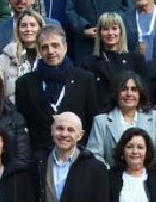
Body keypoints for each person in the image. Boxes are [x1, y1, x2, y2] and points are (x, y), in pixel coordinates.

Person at [15, 26, 99, 155]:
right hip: (39, 158)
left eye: (55, 45)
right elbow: (22, 126)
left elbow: (91, 119)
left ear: (65, 47)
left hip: (77, 155)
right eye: (45, 47)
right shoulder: (25, 83)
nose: (50, 51)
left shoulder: (85, 79)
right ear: (39, 50)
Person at [85, 72, 156, 170]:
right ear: (116, 93)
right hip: (111, 181)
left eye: (134, 89)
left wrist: (151, 178)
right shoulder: (101, 122)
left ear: (140, 94)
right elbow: (94, 157)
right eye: (124, 89)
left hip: (149, 180)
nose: (129, 94)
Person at [78, 12, 151, 110]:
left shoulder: (137, 60)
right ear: (99, 33)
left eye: (114, 28)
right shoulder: (89, 63)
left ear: (121, 31)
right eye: (106, 29)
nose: (110, 33)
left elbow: (145, 95)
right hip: (101, 117)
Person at [0, 9, 45, 104]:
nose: (28, 29)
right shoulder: (5, 58)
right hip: (13, 113)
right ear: (18, 30)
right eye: (23, 26)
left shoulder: (48, 56)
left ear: (40, 28)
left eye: (32, 25)